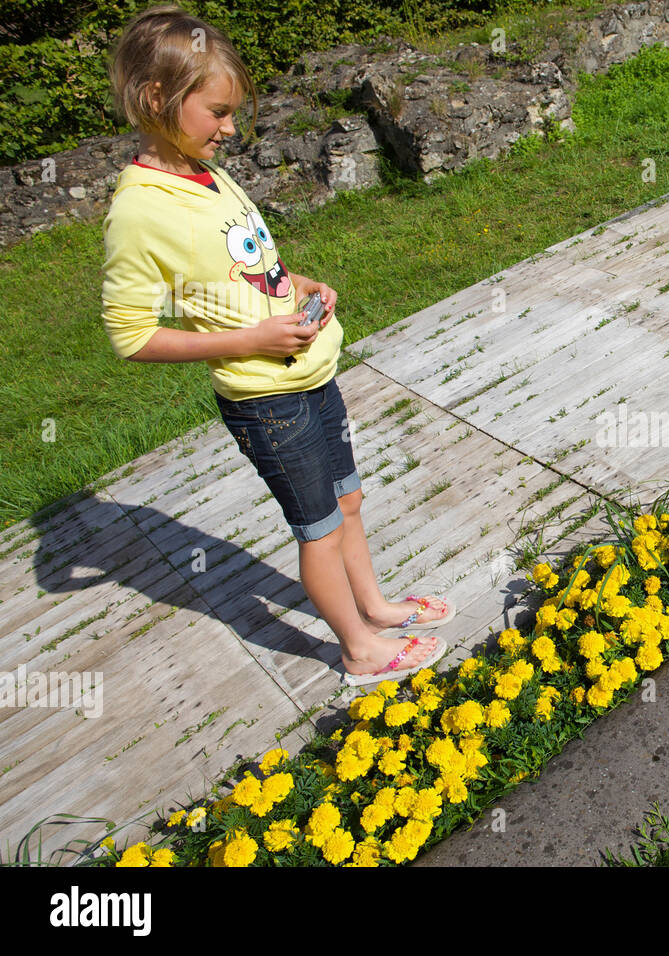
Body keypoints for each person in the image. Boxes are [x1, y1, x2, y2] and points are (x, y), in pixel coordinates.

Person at [100, 5, 454, 686]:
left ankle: (375, 608)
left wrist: (296, 285)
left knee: (348, 502)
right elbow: (131, 335)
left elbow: (243, 266)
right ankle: (358, 650)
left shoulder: (204, 172)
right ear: (156, 100)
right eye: (219, 112)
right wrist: (254, 337)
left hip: (311, 374)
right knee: (318, 527)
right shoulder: (140, 208)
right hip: (267, 400)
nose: (231, 128)